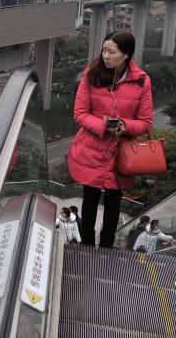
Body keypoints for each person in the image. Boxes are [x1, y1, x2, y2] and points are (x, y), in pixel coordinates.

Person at [68, 31, 154, 248]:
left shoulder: (142, 81)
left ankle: (107, 248)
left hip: (120, 153)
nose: (106, 56)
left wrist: (125, 127)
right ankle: (86, 247)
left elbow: (145, 122)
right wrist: (103, 125)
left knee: (114, 203)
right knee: (89, 201)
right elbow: (79, 113)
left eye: (111, 52)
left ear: (125, 55)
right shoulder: (92, 75)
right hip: (92, 148)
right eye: (104, 50)